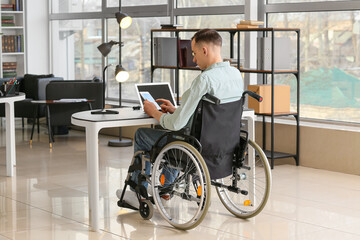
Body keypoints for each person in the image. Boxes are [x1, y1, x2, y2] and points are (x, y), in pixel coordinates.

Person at [117, 28, 244, 203]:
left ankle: (136, 192)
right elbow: (209, 115)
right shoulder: (236, 74)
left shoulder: (204, 80)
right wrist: (178, 110)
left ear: (204, 50)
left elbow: (175, 124)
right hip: (224, 145)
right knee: (178, 134)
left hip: (197, 146)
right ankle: (165, 190)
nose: (193, 59)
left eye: (194, 53)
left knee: (144, 134)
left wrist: (154, 111)